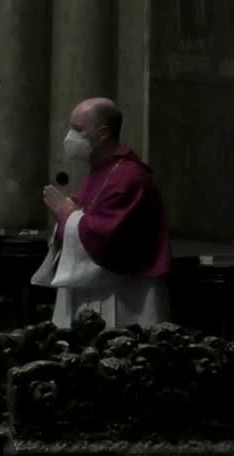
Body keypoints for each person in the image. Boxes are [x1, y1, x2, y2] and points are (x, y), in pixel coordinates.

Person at [32, 97, 171, 328]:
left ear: (104, 133)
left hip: (122, 295)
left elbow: (109, 236)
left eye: (78, 129)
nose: (69, 137)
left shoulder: (128, 176)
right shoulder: (102, 170)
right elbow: (89, 220)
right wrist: (71, 216)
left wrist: (69, 216)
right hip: (98, 289)